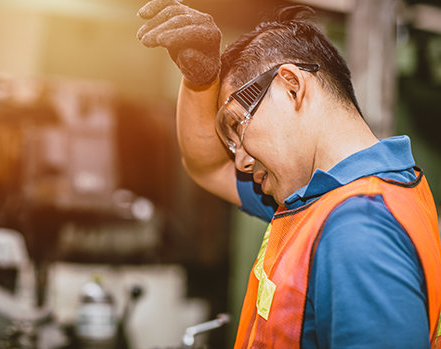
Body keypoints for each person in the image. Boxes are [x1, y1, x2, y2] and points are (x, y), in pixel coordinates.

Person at [137, 1, 441, 348]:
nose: (240, 163)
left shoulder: (357, 229)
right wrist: (199, 81)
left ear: (292, 87)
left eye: (238, 125)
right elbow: (208, 166)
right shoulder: (323, 200)